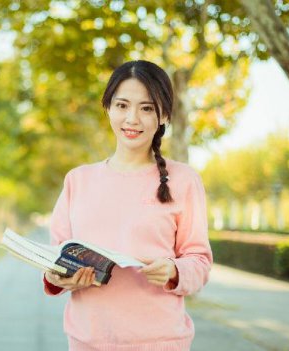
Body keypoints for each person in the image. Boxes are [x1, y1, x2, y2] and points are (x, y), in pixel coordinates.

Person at [42, 60, 213, 351]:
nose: (132, 118)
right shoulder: (78, 180)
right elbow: (55, 256)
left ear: (164, 115)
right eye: (122, 105)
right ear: (108, 108)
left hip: (160, 342)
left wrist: (174, 271)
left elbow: (199, 260)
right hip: (87, 341)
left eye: (146, 108)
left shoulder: (184, 180)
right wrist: (58, 276)